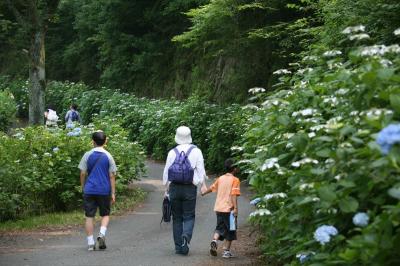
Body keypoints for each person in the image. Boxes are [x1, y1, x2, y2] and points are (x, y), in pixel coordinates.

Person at [163, 126, 207, 255]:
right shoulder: (196, 151)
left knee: (176, 218)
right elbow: (201, 170)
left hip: (175, 188)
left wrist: (166, 190)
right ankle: (186, 237)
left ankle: (178, 247)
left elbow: (166, 173)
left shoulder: (172, 152)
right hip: (189, 188)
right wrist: (203, 184)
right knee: (189, 216)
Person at [78, 131, 117, 251]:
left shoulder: (87, 155)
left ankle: (90, 243)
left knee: (89, 216)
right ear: (105, 142)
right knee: (105, 214)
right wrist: (113, 192)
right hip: (104, 190)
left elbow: (83, 172)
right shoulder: (108, 156)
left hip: (89, 189)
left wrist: (83, 187)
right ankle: (101, 234)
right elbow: (112, 176)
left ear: (92, 142)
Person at [201, 158, 240, 258]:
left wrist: (204, 193)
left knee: (220, 227)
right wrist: (235, 208)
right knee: (231, 229)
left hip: (218, 208)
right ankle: (226, 251)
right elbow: (234, 194)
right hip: (229, 209)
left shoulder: (221, 178)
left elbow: (212, 188)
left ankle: (214, 241)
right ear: (234, 168)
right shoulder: (235, 180)